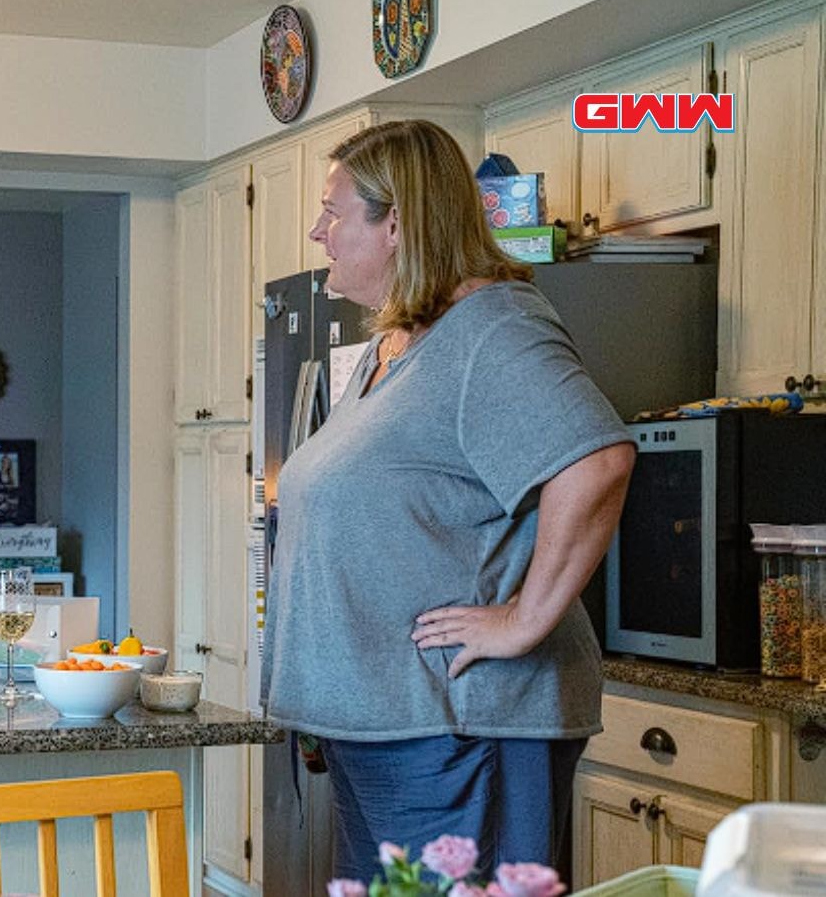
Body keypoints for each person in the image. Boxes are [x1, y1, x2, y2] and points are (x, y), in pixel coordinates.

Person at [260, 120, 636, 882]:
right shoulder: (391, 348)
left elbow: (597, 461)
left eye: (333, 212)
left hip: (459, 730)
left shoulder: (494, 330)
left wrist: (525, 618)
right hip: (388, 730)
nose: (316, 230)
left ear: (395, 221)